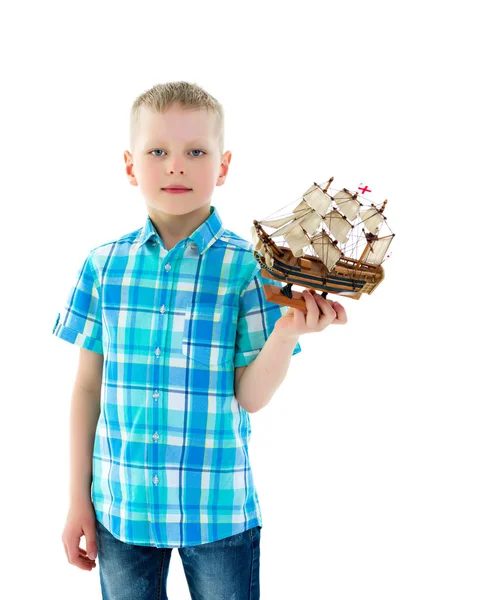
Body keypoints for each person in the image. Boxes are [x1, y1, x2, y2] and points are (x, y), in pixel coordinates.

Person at [52, 80, 347, 600]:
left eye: (195, 151)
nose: (176, 166)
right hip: (123, 509)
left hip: (218, 510)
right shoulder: (103, 266)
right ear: (130, 164)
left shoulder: (249, 268)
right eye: (158, 151)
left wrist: (285, 333)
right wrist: (79, 498)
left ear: (223, 165)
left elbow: (250, 397)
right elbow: (86, 391)